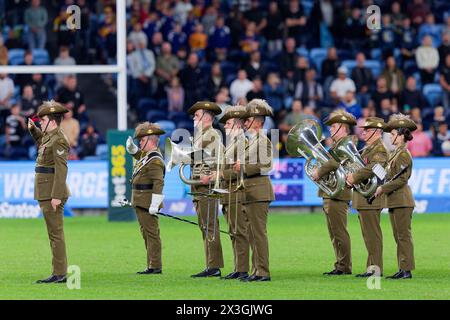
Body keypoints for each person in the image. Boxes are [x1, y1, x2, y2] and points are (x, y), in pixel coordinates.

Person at [27, 100, 71, 283]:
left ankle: (59, 274)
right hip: (46, 191)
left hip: (51, 193)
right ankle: (58, 272)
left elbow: (62, 169)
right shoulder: (50, 136)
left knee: (55, 234)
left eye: (42, 120)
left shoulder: (58, 138)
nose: (40, 123)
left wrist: (56, 196)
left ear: (52, 121)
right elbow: (42, 143)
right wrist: (32, 130)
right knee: (54, 233)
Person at [373, 114, 417, 279]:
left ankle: (406, 269)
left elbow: (402, 179)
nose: (390, 137)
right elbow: (391, 175)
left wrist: (383, 188)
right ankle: (402, 267)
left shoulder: (403, 154)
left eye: (393, 134)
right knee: (398, 236)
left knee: (403, 236)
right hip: (395, 200)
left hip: (402, 201)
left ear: (401, 135)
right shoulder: (396, 153)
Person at [312, 109, 355, 275]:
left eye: (334, 126)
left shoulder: (346, 144)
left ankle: (344, 266)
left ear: (343, 128)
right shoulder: (337, 145)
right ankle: (340, 264)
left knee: (339, 231)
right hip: (331, 191)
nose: (330, 129)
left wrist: (319, 172)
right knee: (334, 232)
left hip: (339, 193)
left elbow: (334, 163)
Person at [238, 99, 275, 281]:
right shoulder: (252, 141)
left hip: (259, 192)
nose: (244, 123)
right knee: (253, 234)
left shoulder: (263, 140)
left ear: (257, 122)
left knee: (258, 234)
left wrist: (242, 167)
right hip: (251, 191)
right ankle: (256, 270)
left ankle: (263, 271)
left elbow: (267, 165)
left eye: (248, 120)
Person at [346, 117, 388, 277]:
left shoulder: (380, 150)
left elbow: (375, 168)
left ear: (377, 132)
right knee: (368, 235)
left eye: (367, 130)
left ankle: (375, 270)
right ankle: (371, 268)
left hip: (371, 197)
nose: (363, 132)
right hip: (364, 196)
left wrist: (354, 177)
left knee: (372, 235)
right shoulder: (368, 149)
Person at [188, 101, 224, 277]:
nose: (194, 118)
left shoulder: (212, 135)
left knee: (209, 225)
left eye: (197, 115)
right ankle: (211, 264)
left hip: (207, 186)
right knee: (205, 226)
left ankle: (214, 266)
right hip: (199, 186)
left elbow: (215, 160)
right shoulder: (202, 135)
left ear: (206, 117)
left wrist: (188, 156)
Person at [125, 122, 165, 274]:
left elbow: (158, 183)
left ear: (150, 140)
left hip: (147, 202)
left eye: (142, 140)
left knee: (152, 234)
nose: (140, 143)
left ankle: (155, 266)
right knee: (146, 233)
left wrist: (155, 204)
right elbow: (141, 157)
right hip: (142, 201)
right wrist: (132, 149)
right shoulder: (148, 156)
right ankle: (151, 264)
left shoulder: (155, 160)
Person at [219, 105, 250, 280]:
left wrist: (220, 174)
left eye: (228, 123)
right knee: (233, 232)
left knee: (240, 231)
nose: (225, 126)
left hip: (237, 193)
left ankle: (243, 269)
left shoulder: (243, 144)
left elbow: (240, 170)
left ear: (238, 126)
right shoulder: (231, 145)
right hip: (229, 193)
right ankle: (238, 267)